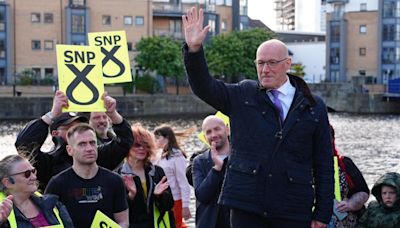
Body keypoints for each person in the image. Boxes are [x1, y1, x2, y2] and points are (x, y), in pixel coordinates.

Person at [182, 7, 333, 228]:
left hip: (293, 207)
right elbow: (205, 87)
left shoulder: (313, 105)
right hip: (246, 205)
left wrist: (322, 213)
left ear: (287, 64)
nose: (265, 69)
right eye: (260, 63)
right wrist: (194, 50)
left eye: (272, 63)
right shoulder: (243, 94)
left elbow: (323, 162)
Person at [15, 90, 134, 190]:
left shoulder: (95, 155)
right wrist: (52, 114)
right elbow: (24, 145)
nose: (77, 131)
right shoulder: (48, 163)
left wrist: (113, 114)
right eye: (70, 128)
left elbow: (124, 142)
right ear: (55, 133)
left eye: (80, 126)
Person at [44, 123, 129, 228]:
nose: (89, 148)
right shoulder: (57, 184)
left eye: (92, 143)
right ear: (70, 150)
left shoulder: (115, 181)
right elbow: (47, 222)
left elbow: (123, 221)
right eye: (82, 144)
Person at [119, 123, 175, 228]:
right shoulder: (119, 175)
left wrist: (159, 196)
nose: (142, 148)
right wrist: (131, 196)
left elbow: (169, 205)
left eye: (146, 145)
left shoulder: (158, 172)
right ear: (128, 145)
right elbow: (117, 212)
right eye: (137, 145)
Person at [0, 154, 74, 227]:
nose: (34, 177)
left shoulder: (53, 205)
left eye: (33, 171)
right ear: (8, 182)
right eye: (27, 174)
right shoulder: (2, 212)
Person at [192, 115, 231, 228]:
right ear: (204, 136)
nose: (213, 135)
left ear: (227, 130)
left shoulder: (241, 156)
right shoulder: (199, 161)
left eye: (217, 129)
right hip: (210, 223)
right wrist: (216, 169)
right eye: (208, 132)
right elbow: (202, 195)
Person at [329, 126, 369, 228]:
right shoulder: (301, 165)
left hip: (343, 221)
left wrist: (351, 204)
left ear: (332, 140)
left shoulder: (345, 163)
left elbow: (364, 191)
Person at [154, 125, 192, 228]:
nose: (155, 140)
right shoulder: (159, 154)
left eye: (158, 138)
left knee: (176, 225)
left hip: (175, 199)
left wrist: (185, 206)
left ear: (167, 138)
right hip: (162, 198)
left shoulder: (177, 156)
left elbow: (183, 183)